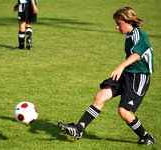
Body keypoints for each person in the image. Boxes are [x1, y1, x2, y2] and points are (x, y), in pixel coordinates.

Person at [58, 6, 155, 146]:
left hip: (138, 77)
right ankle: (78, 129)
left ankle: (146, 137)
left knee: (124, 111)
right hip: (127, 74)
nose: (117, 27)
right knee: (100, 96)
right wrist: (123, 68)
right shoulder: (129, 35)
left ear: (128, 21)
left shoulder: (138, 34)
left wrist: (120, 66)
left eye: (119, 23)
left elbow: (138, 53)